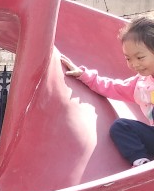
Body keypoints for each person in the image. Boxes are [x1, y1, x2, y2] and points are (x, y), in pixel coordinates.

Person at [62, 14, 154, 167]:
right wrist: (85, 76)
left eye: (140, 57)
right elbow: (113, 87)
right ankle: (141, 163)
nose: (134, 64)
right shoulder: (140, 84)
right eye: (128, 58)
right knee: (120, 126)